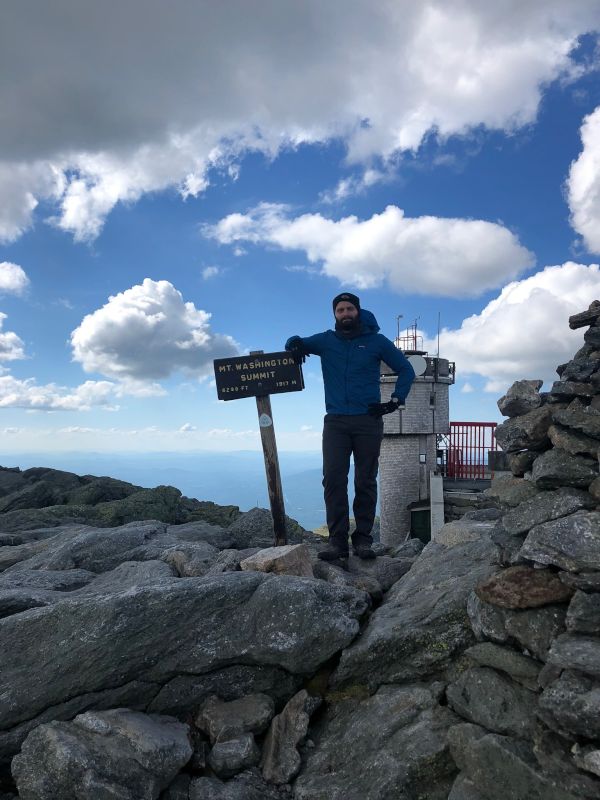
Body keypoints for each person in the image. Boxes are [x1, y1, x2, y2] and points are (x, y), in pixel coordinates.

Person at [285, 292, 415, 562]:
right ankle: (337, 543)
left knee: (365, 481)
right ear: (335, 314)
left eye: (349, 309)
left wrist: (395, 400)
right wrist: (293, 343)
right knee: (333, 480)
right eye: (340, 310)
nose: (345, 314)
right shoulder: (326, 340)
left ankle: (363, 541)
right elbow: (298, 342)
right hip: (335, 422)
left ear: (358, 311)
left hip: (368, 419)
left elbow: (407, 369)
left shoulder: (376, 342)